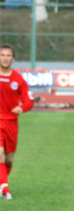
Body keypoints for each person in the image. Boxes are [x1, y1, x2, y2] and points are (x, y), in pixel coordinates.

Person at [0, 44, 34, 201]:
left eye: (8, 55)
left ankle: (2, 181)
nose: (5, 58)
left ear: (13, 58)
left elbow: (29, 100)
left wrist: (21, 107)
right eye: (2, 55)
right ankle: (5, 190)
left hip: (11, 123)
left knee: (8, 160)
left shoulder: (18, 79)